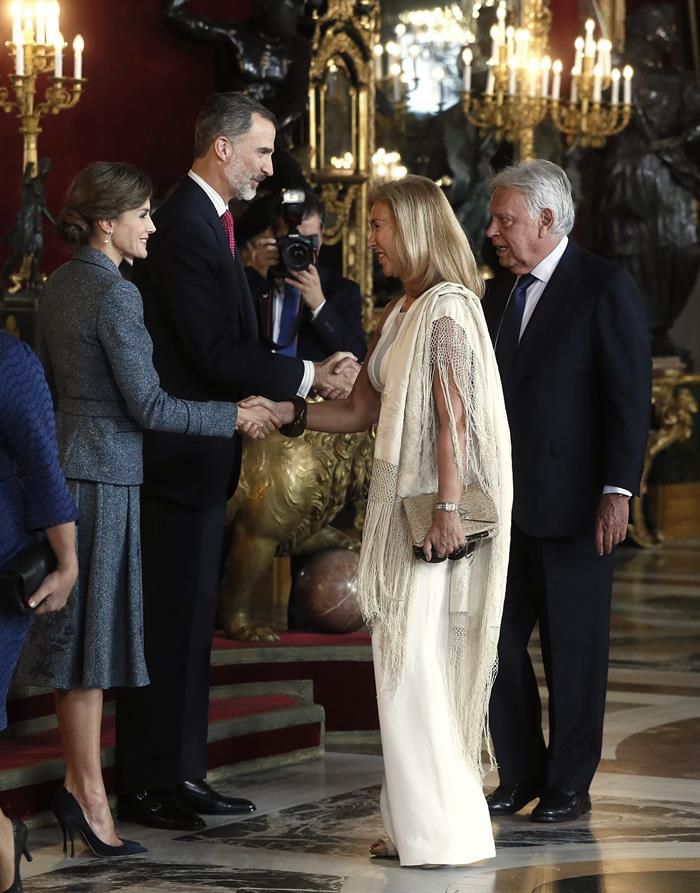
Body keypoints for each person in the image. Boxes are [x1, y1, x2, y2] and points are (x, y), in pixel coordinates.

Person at [242, 174, 513, 867]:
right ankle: (412, 823)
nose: (372, 239)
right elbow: (360, 411)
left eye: (381, 226)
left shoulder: (448, 309)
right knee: (396, 666)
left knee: (418, 668)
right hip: (397, 510)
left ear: (417, 229)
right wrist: (288, 413)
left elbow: (454, 421)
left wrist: (448, 510)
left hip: (429, 513)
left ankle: (445, 833)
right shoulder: (403, 308)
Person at [14, 161, 276, 857]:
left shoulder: (59, 284)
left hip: (66, 468)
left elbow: (46, 386)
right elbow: (151, 405)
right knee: (90, 645)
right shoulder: (115, 294)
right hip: (106, 481)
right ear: (108, 223)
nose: (153, 227)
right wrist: (235, 414)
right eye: (142, 216)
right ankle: (89, 796)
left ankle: (85, 787)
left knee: (81, 644)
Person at [115, 92, 356, 832]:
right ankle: (149, 783)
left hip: (201, 456)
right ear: (222, 148)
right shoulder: (187, 223)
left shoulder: (209, 221)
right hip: (176, 457)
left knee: (189, 632)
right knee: (166, 631)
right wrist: (310, 378)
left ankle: (181, 774)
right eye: (261, 151)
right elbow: (212, 353)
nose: (269, 165)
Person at [481, 159, 652, 822]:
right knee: (492, 644)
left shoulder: (604, 285)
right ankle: (522, 770)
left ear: (548, 219)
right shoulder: (498, 295)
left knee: (573, 652)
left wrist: (618, 489)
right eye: (494, 218)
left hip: (578, 504)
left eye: (506, 219)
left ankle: (568, 784)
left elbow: (627, 396)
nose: (492, 229)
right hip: (500, 506)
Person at [1, 329, 78, 892]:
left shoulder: (9, 360)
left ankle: (4, 856)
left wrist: (67, 562)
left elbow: (43, 469)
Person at [245, 188, 367, 363]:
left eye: (309, 240)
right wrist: (256, 273)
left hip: (313, 390)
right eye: (293, 240)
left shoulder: (342, 291)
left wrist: (320, 306)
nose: (300, 248)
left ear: (322, 235)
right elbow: (225, 340)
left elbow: (358, 358)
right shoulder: (250, 280)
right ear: (272, 235)